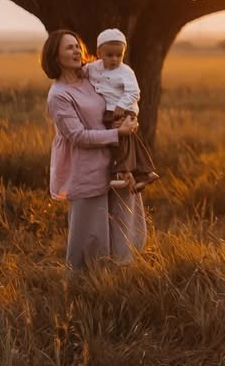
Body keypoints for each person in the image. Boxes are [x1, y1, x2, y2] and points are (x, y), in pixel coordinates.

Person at [42, 29, 148, 270]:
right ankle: (86, 286)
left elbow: (121, 98)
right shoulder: (59, 95)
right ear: (55, 56)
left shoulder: (91, 78)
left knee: (122, 227)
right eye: (69, 47)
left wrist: (130, 119)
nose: (76, 51)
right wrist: (117, 134)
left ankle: (120, 280)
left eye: (77, 46)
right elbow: (78, 136)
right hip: (86, 170)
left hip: (114, 164)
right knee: (91, 238)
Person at [85, 28, 160, 192]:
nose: (115, 59)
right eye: (109, 55)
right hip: (112, 109)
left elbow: (134, 92)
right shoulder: (93, 68)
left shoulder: (125, 71)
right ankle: (144, 173)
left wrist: (122, 105)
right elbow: (83, 71)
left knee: (116, 137)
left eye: (119, 55)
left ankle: (119, 173)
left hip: (124, 108)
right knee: (129, 139)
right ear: (99, 53)